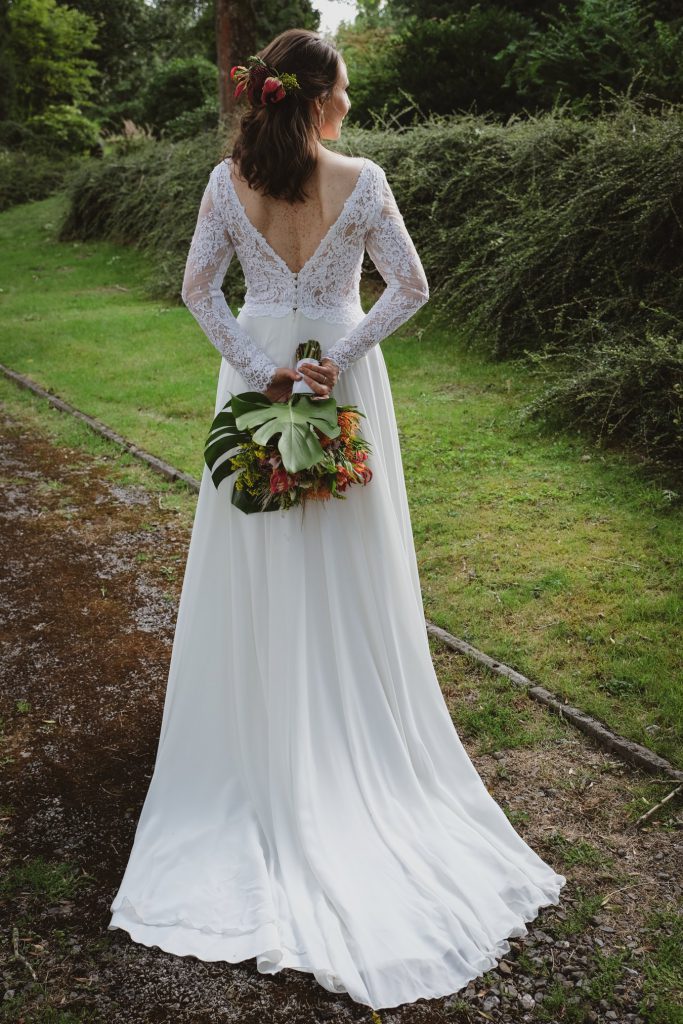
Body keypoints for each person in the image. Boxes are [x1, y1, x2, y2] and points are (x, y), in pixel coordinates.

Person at [108, 27, 566, 1012]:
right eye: (344, 89)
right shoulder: (362, 180)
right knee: (345, 552)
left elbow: (197, 292)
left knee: (263, 548)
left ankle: (261, 734)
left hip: (258, 376)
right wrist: (335, 359)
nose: (350, 103)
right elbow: (411, 286)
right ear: (317, 98)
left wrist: (262, 367)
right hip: (339, 381)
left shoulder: (225, 183)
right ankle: (343, 736)